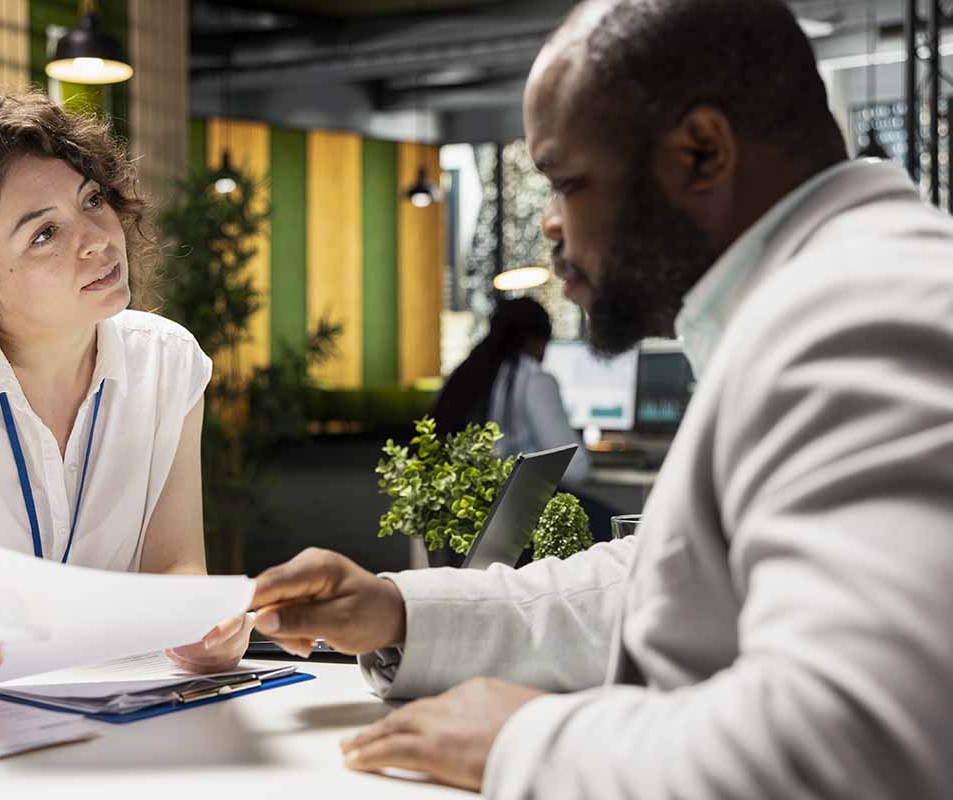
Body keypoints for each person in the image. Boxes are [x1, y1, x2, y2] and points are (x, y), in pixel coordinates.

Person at [247, 1, 953, 797]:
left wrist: (523, 741)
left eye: (565, 182)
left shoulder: (864, 315)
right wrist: (400, 611)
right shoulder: (814, 301)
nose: (550, 225)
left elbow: (851, 749)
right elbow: (660, 584)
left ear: (701, 152)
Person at [0, 92, 252, 723]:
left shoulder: (167, 362)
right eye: (44, 234)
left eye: (92, 200)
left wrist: (205, 627)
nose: (97, 240)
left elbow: (175, 563)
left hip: (123, 703)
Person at [431, 297, 590, 486]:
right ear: (539, 340)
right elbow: (574, 468)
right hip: (515, 499)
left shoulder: (463, 375)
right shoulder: (533, 380)